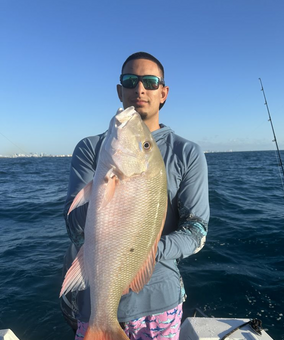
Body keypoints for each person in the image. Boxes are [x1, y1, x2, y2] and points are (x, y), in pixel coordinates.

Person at [60, 52, 210, 340]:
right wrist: (107, 186)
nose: (139, 89)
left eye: (150, 82)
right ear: (120, 90)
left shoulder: (187, 153)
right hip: (94, 306)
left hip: (161, 304)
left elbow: (196, 231)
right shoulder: (90, 149)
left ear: (163, 93)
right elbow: (74, 227)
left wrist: (145, 253)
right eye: (130, 81)